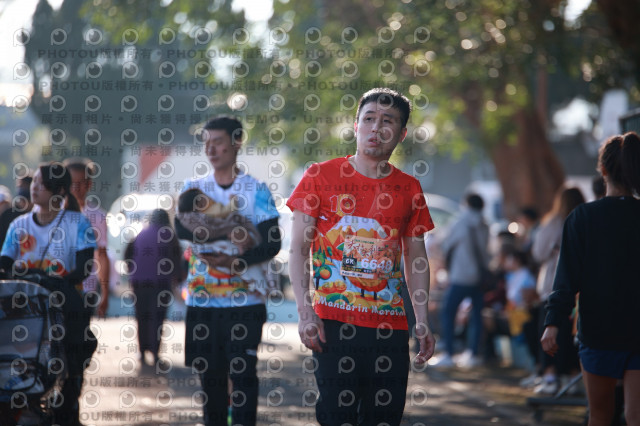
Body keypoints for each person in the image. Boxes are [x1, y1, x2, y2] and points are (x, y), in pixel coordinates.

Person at [288, 87, 436, 425]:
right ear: (356, 126)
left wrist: (422, 319)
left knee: (384, 416)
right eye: (369, 119)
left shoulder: (409, 188)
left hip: (390, 327)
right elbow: (298, 249)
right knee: (336, 416)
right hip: (333, 323)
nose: (376, 128)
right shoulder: (319, 177)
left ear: (401, 134)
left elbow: (416, 258)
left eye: (387, 121)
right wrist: (305, 312)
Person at [175, 115, 281, 426]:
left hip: (245, 302)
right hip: (202, 301)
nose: (211, 149)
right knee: (210, 380)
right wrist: (228, 231)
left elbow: (272, 243)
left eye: (218, 142)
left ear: (237, 143)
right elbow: (182, 230)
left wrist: (236, 263)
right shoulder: (193, 188)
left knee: (243, 374)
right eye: (206, 143)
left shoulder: (256, 190)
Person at [541, 132, 640, 426]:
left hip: (598, 332)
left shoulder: (582, 218)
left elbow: (566, 279)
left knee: (599, 415)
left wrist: (552, 323)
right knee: (636, 416)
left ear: (603, 170)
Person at [0, 162, 97, 426]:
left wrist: (53, 284)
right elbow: (5, 264)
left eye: (42, 184)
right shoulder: (19, 225)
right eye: (34, 182)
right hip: (22, 314)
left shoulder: (78, 223)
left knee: (76, 352)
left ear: (60, 190)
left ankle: (69, 401)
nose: (35, 188)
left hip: (64, 309)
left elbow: (84, 268)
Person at [526, 186, 585, 393]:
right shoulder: (584, 218)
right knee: (572, 335)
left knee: (549, 330)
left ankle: (550, 376)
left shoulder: (553, 222)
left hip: (553, 284)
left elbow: (538, 252)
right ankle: (573, 376)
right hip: (580, 287)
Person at [431, 193, 489, 369]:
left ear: (467, 204)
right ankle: (473, 353)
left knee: (448, 313)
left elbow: (445, 244)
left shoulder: (460, 222)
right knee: (476, 316)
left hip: (460, 276)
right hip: (479, 277)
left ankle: (448, 353)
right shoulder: (485, 224)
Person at [177, 188, 267, 293]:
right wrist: (233, 201)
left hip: (220, 269)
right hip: (230, 252)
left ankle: (258, 286)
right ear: (200, 204)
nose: (210, 198)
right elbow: (226, 211)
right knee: (252, 269)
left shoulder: (192, 220)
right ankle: (263, 288)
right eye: (205, 197)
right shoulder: (210, 212)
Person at [125, 208, 183, 368]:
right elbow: (176, 259)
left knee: (141, 316)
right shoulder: (169, 235)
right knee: (157, 318)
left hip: (138, 283)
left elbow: (127, 256)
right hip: (160, 284)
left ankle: (142, 352)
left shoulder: (140, 234)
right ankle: (155, 354)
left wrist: (133, 273)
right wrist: (178, 280)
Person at [63, 157, 110, 317]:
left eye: (80, 183)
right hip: (56, 283)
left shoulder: (98, 217)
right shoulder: (52, 212)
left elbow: (101, 256)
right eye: (71, 183)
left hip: (86, 289)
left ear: (89, 184)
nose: (75, 188)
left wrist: (105, 293)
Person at [0, 175, 33, 248]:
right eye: (20, 187)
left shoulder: (38, 215)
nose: (21, 190)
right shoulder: (8, 215)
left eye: (24, 187)